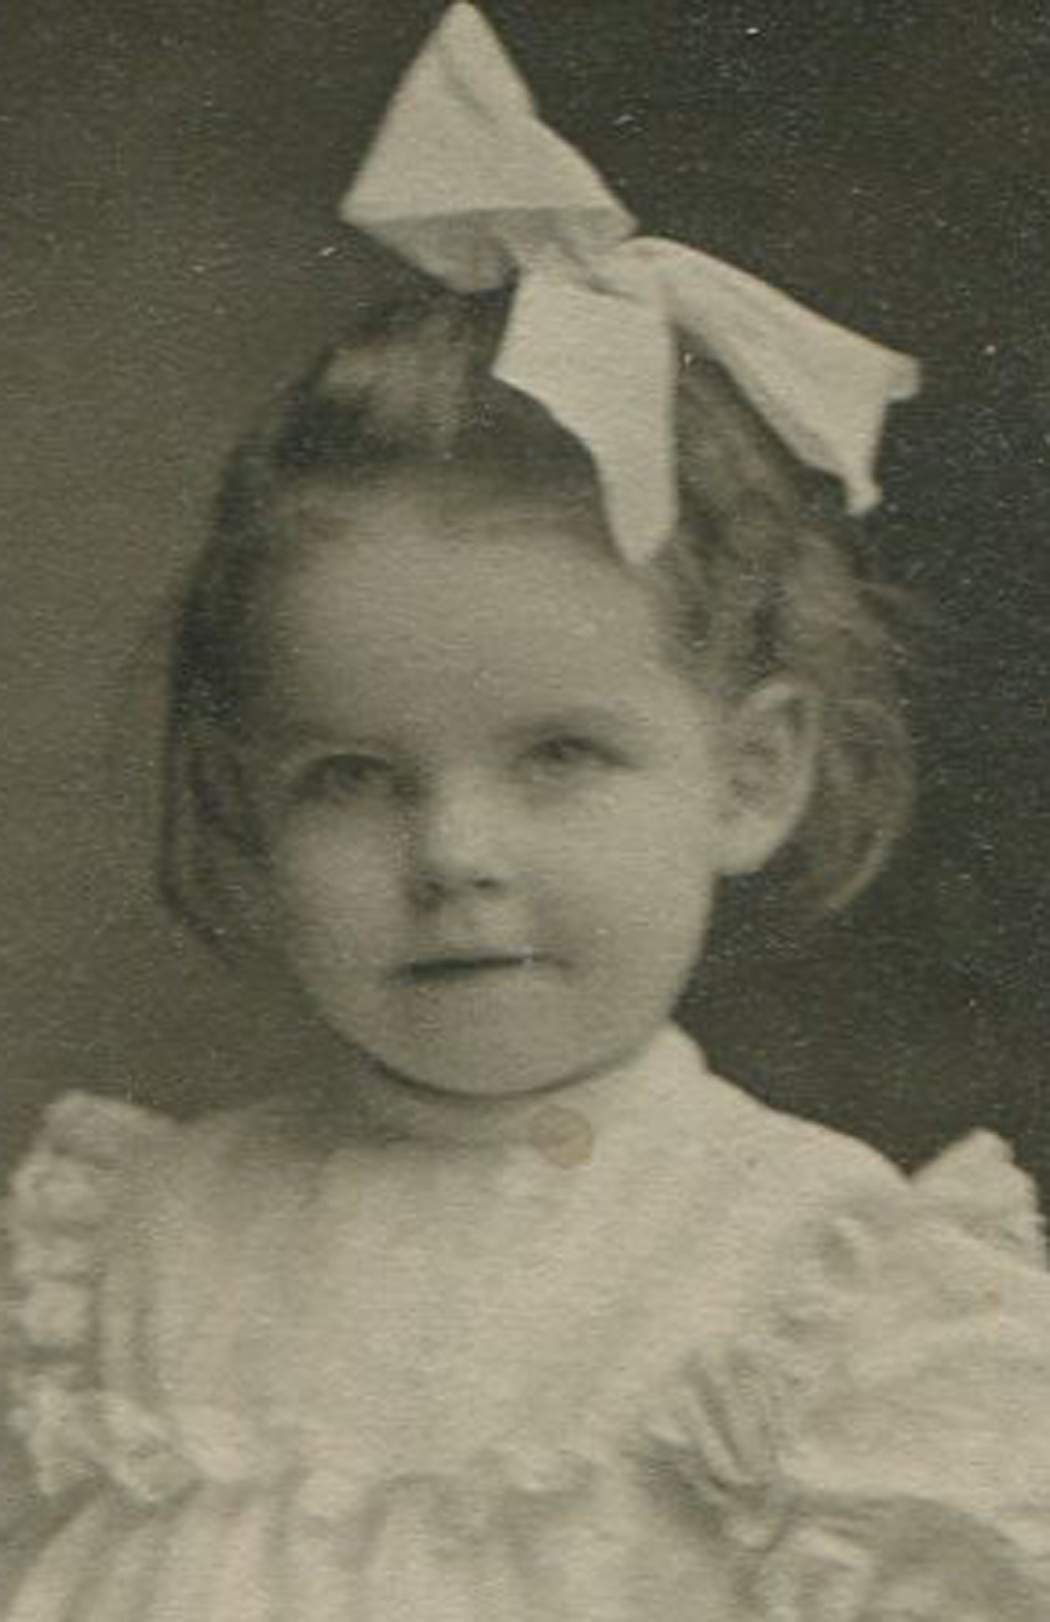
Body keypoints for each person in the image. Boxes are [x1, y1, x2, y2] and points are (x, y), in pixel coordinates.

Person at [2, 6, 1048, 1617]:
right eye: (351, 777)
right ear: (243, 807)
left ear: (749, 775)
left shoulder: (825, 1291)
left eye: (558, 755)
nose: (454, 855)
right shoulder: (122, 1268)